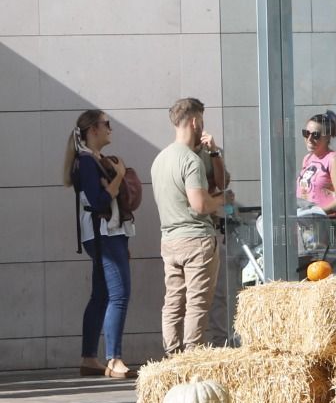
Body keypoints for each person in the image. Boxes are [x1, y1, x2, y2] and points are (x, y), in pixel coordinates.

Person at [63, 110, 136, 379]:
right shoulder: (86, 162)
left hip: (102, 234)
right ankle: (114, 359)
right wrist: (119, 175)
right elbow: (99, 201)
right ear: (93, 129)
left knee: (101, 296)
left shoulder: (90, 160)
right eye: (107, 124)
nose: (110, 129)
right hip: (103, 233)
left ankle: (89, 358)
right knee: (119, 294)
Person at [150, 98, 226, 355]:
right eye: (201, 121)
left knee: (172, 303)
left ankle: (172, 356)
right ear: (195, 122)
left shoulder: (160, 159)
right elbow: (200, 205)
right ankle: (192, 356)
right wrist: (223, 200)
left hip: (169, 241)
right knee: (196, 304)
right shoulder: (191, 161)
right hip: (196, 240)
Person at [296, 110, 336, 272]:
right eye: (306, 133)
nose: (310, 139)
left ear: (328, 137)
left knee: (334, 276)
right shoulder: (307, 159)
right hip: (309, 229)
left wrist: (317, 212)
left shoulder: (333, 159)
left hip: (331, 226)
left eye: (316, 135)